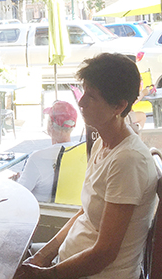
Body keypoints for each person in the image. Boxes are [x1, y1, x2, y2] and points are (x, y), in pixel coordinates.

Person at [17, 53, 158, 278]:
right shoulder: (103, 141)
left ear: (119, 106)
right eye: (83, 93)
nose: (81, 102)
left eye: (91, 96)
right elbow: (84, 214)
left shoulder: (129, 160)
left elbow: (104, 253)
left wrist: (47, 275)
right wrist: (42, 257)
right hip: (68, 262)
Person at [13, 100, 78, 202]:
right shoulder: (80, 153)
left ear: (50, 125)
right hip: (71, 213)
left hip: (44, 214)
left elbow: (20, 194)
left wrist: (14, 181)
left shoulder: (38, 158)